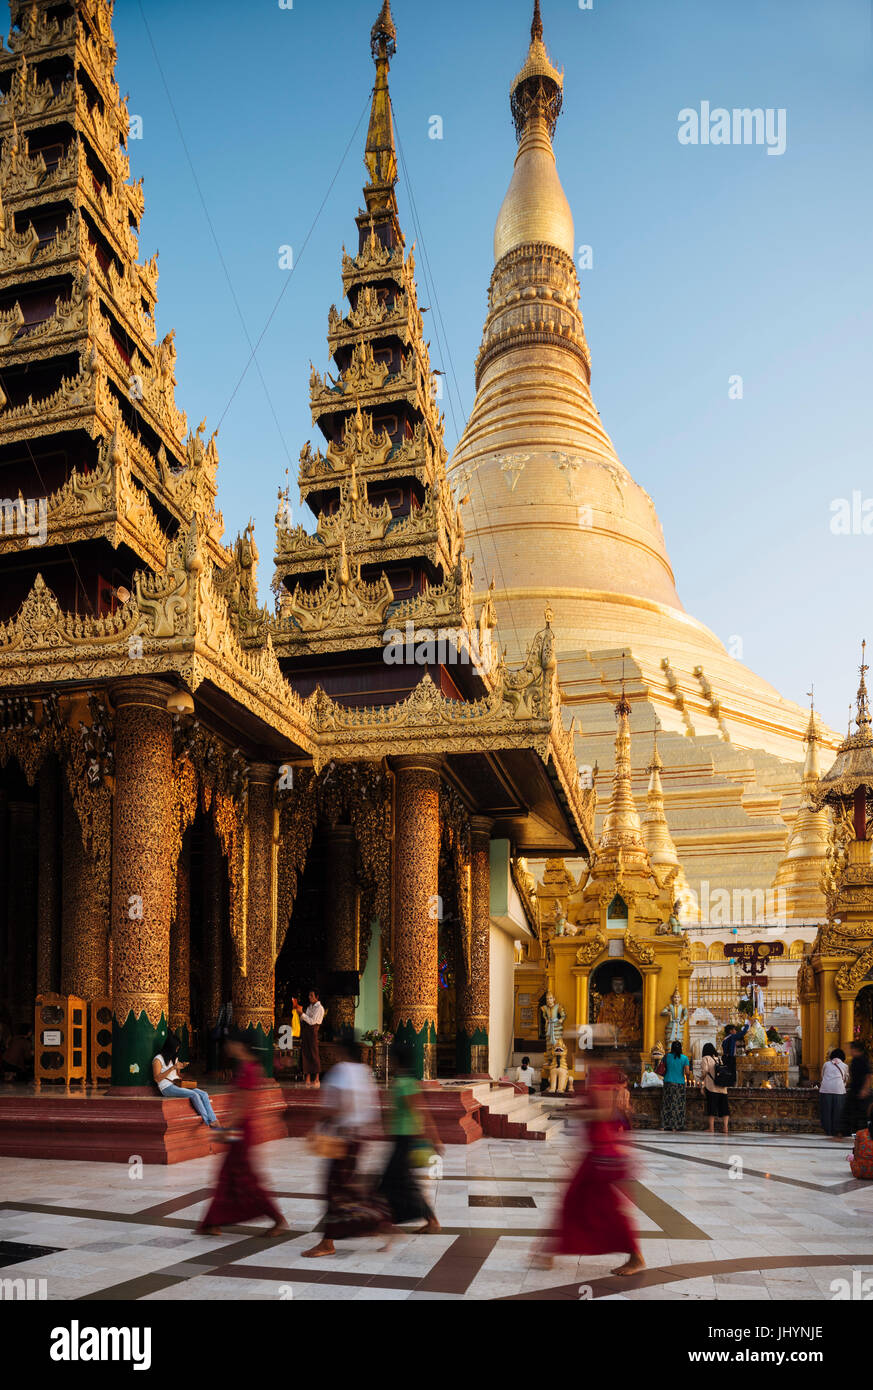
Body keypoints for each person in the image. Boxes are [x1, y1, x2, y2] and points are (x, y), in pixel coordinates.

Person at [539, 1062, 644, 1277]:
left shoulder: (604, 1078)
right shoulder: (597, 1075)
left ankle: (635, 1255)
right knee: (573, 1200)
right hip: (595, 1153)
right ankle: (549, 1250)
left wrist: (576, 1113)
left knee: (606, 1207)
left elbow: (604, 1113)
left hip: (603, 1155)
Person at [303, 1033, 391, 1258]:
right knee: (347, 1187)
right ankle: (377, 1223)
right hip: (357, 1138)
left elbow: (339, 1104)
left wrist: (319, 1123)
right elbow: (372, 1107)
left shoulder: (341, 1071)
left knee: (335, 1189)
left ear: (341, 1051)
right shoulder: (364, 1072)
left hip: (342, 1137)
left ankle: (330, 1241)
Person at [198, 1029, 288, 1237]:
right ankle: (213, 1221)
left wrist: (225, 1130)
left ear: (240, 1045)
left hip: (240, 1130)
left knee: (244, 1179)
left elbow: (242, 1105)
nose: (227, 1046)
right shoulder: (246, 1067)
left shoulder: (248, 1069)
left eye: (230, 1042)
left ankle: (277, 1218)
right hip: (240, 1129)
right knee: (228, 1176)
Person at [375, 1041, 442, 1236]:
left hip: (406, 1139)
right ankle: (428, 1220)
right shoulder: (400, 1081)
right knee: (401, 1181)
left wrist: (434, 1138)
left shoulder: (405, 1084)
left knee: (393, 1181)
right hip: (400, 1137)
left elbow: (419, 1110)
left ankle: (385, 1221)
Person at [152, 1032, 221, 1129]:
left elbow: (177, 1075)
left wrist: (181, 1068)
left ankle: (214, 1119)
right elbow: (157, 1078)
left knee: (204, 1094)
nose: (177, 1050)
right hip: (166, 1087)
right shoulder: (158, 1059)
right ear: (170, 1047)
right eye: (176, 1047)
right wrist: (172, 1068)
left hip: (176, 1084)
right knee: (194, 1095)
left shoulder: (174, 1058)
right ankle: (208, 1121)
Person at [843, 1042, 872, 1139]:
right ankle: (845, 1133)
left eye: (851, 1049)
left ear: (856, 1050)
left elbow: (868, 1076)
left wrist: (865, 1089)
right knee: (849, 1112)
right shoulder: (854, 1060)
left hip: (861, 1091)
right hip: (854, 1089)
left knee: (861, 1115)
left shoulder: (863, 1060)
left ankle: (862, 1135)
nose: (850, 1051)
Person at [660, 1039, 691, 1131]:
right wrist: (689, 1076)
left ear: (671, 1048)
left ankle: (664, 1125)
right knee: (678, 1104)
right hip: (679, 1084)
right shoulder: (684, 1058)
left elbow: (662, 1068)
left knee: (667, 1103)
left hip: (668, 1082)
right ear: (681, 1048)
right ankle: (675, 1126)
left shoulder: (667, 1057)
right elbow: (687, 1072)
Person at [700, 1041, 730, 1135]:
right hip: (722, 1087)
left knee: (712, 1107)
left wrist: (701, 1079)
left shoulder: (706, 1058)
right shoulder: (719, 1059)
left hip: (712, 1087)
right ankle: (725, 1127)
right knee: (724, 1107)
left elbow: (704, 1071)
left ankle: (711, 1128)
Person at [819, 1048, 849, 1137]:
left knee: (826, 1111)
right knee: (838, 1111)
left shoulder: (826, 1064)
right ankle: (836, 1130)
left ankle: (827, 1130)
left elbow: (822, 1075)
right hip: (839, 1090)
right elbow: (846, 1078)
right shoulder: (844, 1066)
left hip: (825, 1089)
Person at [299, 990, 325, 1089]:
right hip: (306, 1031)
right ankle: (308, 1077)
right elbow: (305, 1019)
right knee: (306, 1053)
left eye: (311, 995)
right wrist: (300, 1013)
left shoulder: (320, 1008)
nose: (309, 997)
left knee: (314, 1054)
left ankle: (317, 1078)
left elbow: (313, 1021)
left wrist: (302, 1014)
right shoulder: (310, 1007)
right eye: (309, 995)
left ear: (317, 997)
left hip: (313, 1031)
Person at [721, 1021, 750, 1086]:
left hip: (725, 1057)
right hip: (730, 1058)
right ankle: (731, 1086)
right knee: (732, 1073)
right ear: (730, 1031)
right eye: (734, 1030)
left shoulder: (725, 1038)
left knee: (728, 1072)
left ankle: (728, 1085)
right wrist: (747, 1025)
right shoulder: (732, 1037)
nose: (735, 1031)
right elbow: (742, 1033)